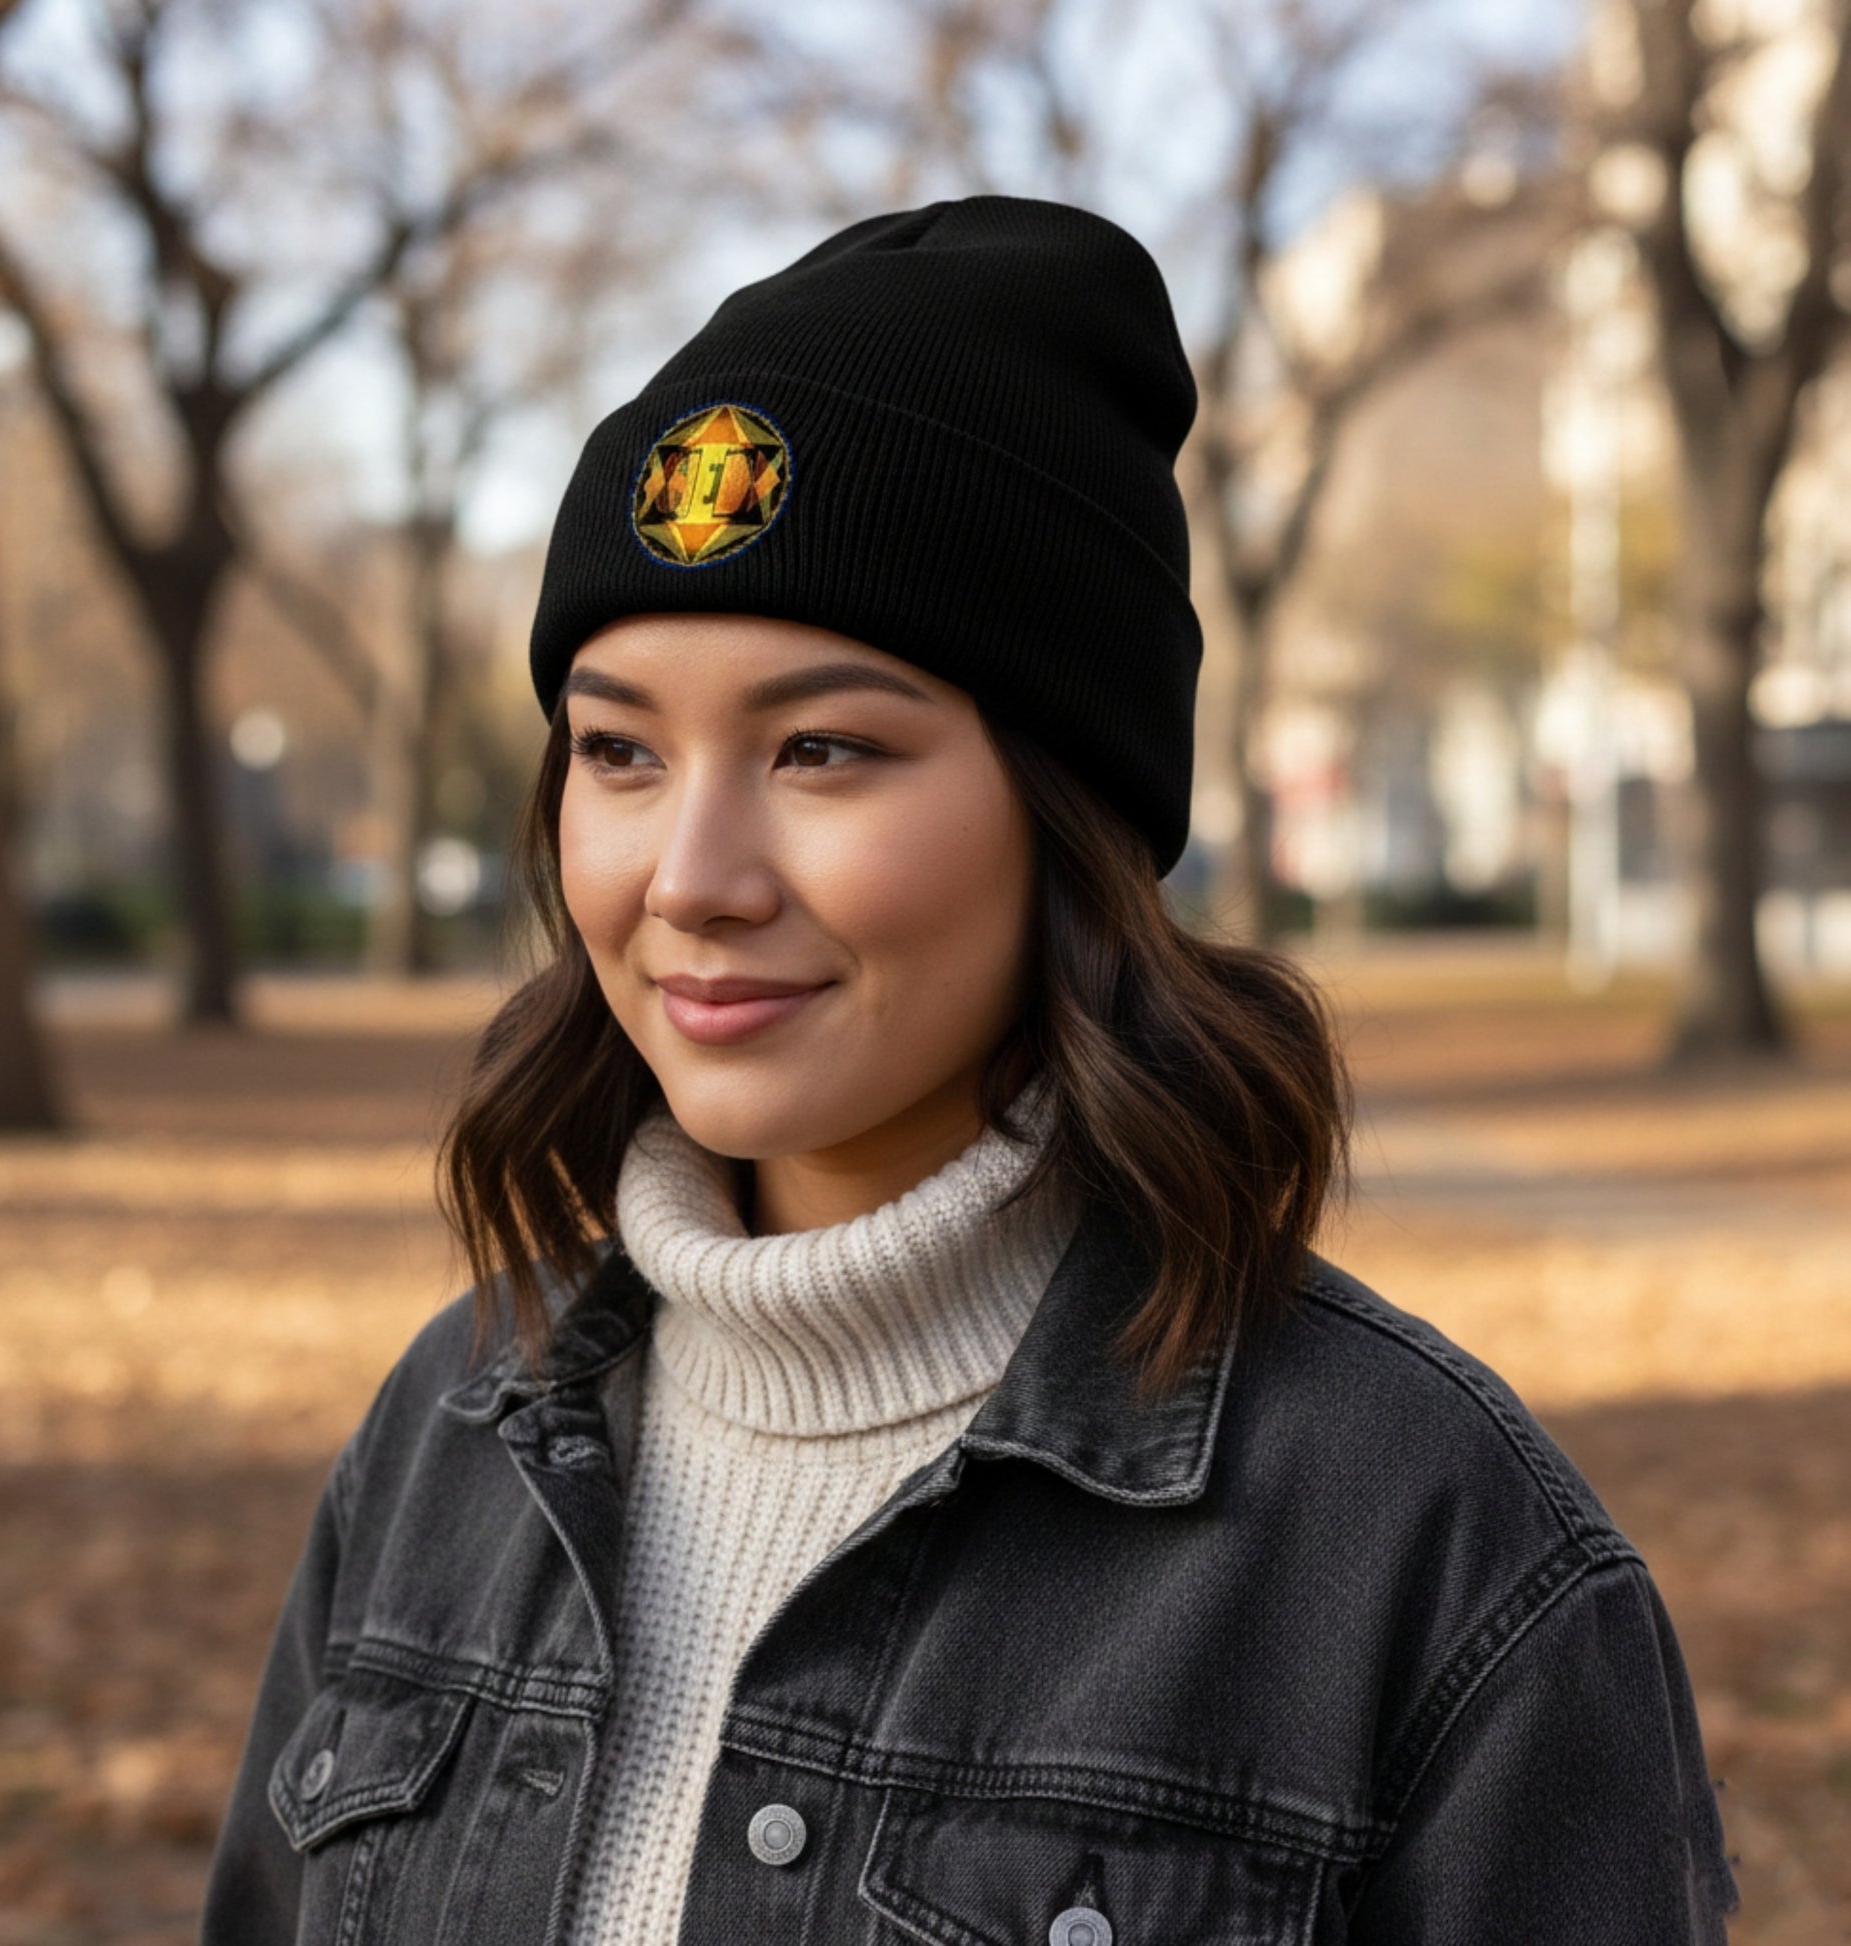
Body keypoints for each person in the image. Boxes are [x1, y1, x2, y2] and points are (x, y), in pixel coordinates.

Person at [199, 197, 1738, 1944]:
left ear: (1065, 816)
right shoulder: (451, 1427)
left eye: (823, 746)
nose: (689, 873)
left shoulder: (1425, 1547)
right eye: (618, 749)